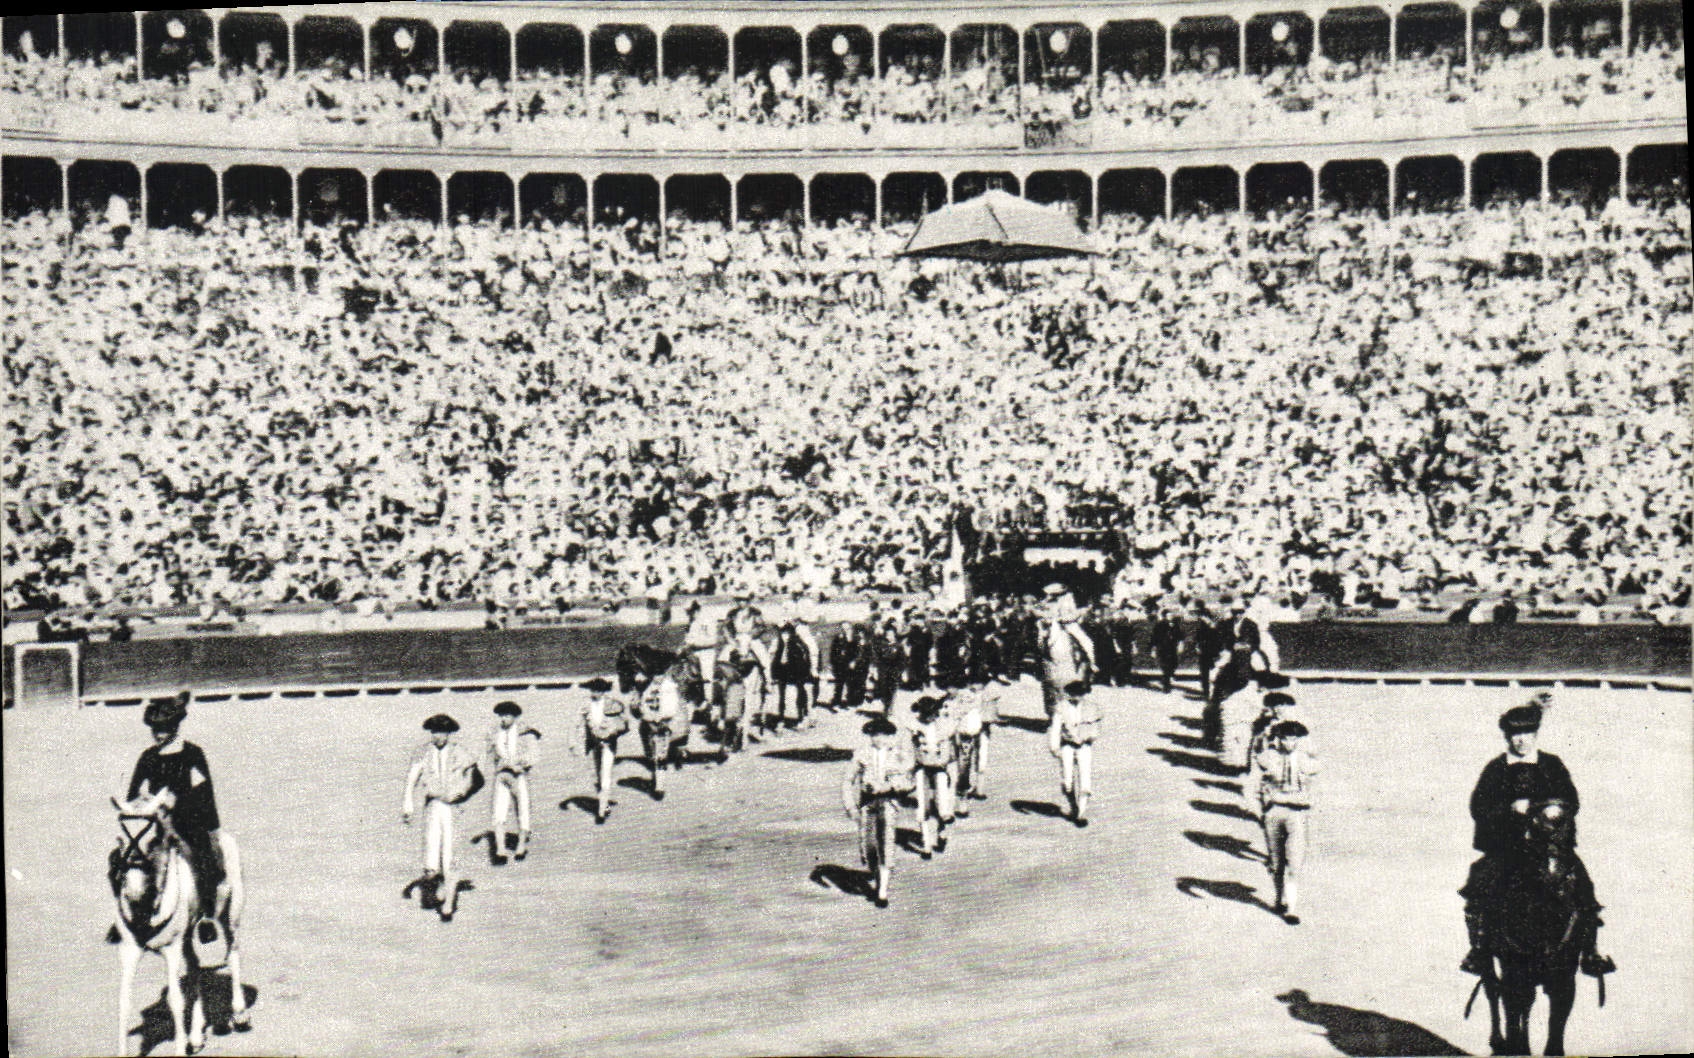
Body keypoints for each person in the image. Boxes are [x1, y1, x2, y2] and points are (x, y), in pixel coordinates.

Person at [1462, 696, 1580, 972]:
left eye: (1526, 733)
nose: (1521, 740)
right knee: (1480, 880)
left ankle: (1590, 949)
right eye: (1515, 734)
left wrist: (1554, 809)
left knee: (1580, 880)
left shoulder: (1552, 765)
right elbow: (1478, 806)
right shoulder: (1496, 768)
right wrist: (1508, 809)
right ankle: (1478, 949)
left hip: (1548, 844)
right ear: (1507, 737)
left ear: (1535, 734)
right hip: (1508, 847)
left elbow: (1571, 799)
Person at [126, 692, 226, 930]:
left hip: (190, 824)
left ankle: (207, 916)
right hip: (157, 826)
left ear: (175, 727)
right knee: (124, 860)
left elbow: (204, 794)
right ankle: (127, 915)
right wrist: (142, 800)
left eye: (163, 729)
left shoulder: (192, 754)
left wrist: (177, 801)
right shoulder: (148, 757)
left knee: (203, 858)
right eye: (154, 729)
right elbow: (132, 793)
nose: (157, 734)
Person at [402, 713, 483, 920]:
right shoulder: (423, 752)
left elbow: (477, 779)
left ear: (449, 733)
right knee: (431, 856)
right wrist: (408, 804)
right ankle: (439, 885)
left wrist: (462, 793)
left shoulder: (460, 752)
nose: (438, 736)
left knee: (450, 854)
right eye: (435, 732)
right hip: (433, 806)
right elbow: (412, 779)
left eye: (442, 732)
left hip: (453, 808)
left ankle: (449, 902)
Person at [841, 715, 915, 908]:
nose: (879, 739)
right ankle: (877, 875)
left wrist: (890, 786)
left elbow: (909, 782)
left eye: (883, 735)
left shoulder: (899, 755)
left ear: (890, 736)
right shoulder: (862, 754)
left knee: (886, 843)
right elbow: (847, 780)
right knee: (869, 847)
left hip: (889, 802)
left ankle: (882, 891)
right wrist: (850, 806)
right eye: (875, 735)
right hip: (867, 803)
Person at [1254, 719, 1318, 924]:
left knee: (1294, 861)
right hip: (1274, 813)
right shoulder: (1268, 757)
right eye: (1285, 739)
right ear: (1278, 739)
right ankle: (1279, 898)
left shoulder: (1305, 760)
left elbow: (1315, 773)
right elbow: (1254, 775)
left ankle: (1291, 908)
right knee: (1276, 862)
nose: (1290, 744)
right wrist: (1259, 811)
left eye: (1294, 739)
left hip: (1297, 813)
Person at [486, 701, 539, 862]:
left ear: (515, 717)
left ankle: (521, 846)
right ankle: (501, 848)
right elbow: (490, 753)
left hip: (519, 775)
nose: (503, 719)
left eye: (507, 715)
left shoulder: (526, 733)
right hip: (502, 775)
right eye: (501, 715)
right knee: (499, 811)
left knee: (522, 809)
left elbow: (534, 755)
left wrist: (519, 763)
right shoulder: (495, 733)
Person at [1047, 679, 1100, 826]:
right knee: (1067, 781)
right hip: (1067, 746)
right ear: (1069, 694)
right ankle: (1073, 806)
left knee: (1085, 779)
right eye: (1074, 694)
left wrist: (1089, 736)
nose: (1077, 697)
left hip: (1084, 746)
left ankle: (1081, 814)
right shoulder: (1061, 708)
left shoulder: (1091, 708)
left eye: (1080, 694)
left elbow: (1096, 729)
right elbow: (1055, 728)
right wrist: (1054, 747)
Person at [909, 695, 957, 858]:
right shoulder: (914, 726)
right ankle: (926, 845)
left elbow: (946, 752)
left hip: (939, 767)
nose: (931, 717)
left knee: (942, 799)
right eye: (927, 714)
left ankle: (942, 830)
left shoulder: (943, 727)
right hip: (922, 768)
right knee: (922, 805)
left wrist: (941, 762)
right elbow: (910, 750)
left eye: (933, 714)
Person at [579, 677, 631, 823]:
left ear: (603, 691)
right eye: (592, 690)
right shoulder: (586, 705)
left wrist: (613, 732)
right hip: (594, 744)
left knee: (605, 775)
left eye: (597, 690)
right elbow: (582, 725)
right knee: (597, 776)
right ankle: (604, 803)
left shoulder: (613, 705)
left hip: (608, 744)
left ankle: (601, 810)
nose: (593, 693)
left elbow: (624, 724)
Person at [1149, 602, 1184, 693]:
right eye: (1169, 615)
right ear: (1165, 616)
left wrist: (1181, 644)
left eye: (1171, 615)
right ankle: (1166, 686)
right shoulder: (1159, 625)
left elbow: (1180, 635)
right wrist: (1153, 649)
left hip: (1172, 648)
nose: (1170, 616)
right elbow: (1154, 638)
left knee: (1173, 664)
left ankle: (1167, 678)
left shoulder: (1175, 624)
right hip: (1162, 648)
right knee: (1166, 666)